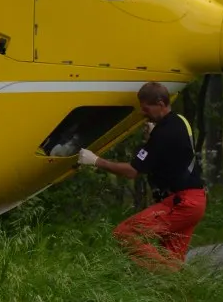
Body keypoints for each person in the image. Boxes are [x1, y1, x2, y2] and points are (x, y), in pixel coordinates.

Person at [76, 82, 206, 271]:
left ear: (160, 103)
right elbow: (176, 150)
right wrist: (153, 138)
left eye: (146, 108)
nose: (144, 113)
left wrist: (96, 161)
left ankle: (174, 274)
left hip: (182, 202)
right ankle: (178, 285)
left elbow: (132, 171)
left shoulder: (162, 134)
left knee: (124, 234)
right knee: (171, 259)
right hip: (196, 200)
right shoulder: (181, 121)